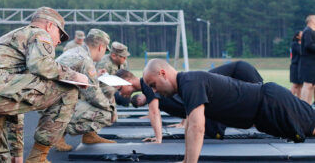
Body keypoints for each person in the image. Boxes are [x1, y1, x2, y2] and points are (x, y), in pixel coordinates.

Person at [0, 7, 89, 163]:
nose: (60, 40)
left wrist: (16, 152)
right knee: (68, 89)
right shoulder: (39, 33)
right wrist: (75, 75)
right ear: (49, 26)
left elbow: (15, 103)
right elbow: (42, 65)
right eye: (60, 34)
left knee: (0, 158)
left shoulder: (7, 40)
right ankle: (38, 158)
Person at [143, 59, 315, 163]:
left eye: (153, 86)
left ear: (163, 73)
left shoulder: (190, 82)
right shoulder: (187, 85)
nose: (155, 92)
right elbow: (189, 127)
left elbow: (197, 128)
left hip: (271, 103)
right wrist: (186, 160)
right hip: (265, 113)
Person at [119, 61, 264, 143]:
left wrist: (158, 138)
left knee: (266, 103)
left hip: (240, 70)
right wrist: (184, 122)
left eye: (120, 88)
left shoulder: (147, 83)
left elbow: (154, 112)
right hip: (228, 83)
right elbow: (187, 101)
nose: (120, 93)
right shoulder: (154, 86)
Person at [54, 29, 117, 152]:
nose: (104, 53)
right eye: (105, 50)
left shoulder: (77, 52)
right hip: (55, 104)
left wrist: (96, 77)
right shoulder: (85, 60)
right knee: (106, 113)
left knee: (98, 98)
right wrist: (111, 109)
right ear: (100, 47)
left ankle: (90, 135)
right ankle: (58, 133)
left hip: (52, 98)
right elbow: (93, 94)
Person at [300, 15, 315, 104]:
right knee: (308, 84)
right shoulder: (308, 31)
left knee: (312, 85)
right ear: (311, 20)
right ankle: (303, 105)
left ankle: (308, 106)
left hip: (312, 62)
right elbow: (308, 45)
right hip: (308, 62)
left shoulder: (312, 31)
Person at [290, 31, 303, 97]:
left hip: (301, 67)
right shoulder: (295, 44)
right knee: (295, 85)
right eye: (301, 34)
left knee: (300, 85)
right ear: (297, 36)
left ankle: (298, 101)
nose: (303, 34)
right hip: (295, 66)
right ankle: (289, 99)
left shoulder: (302, 43)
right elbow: (301, 52)